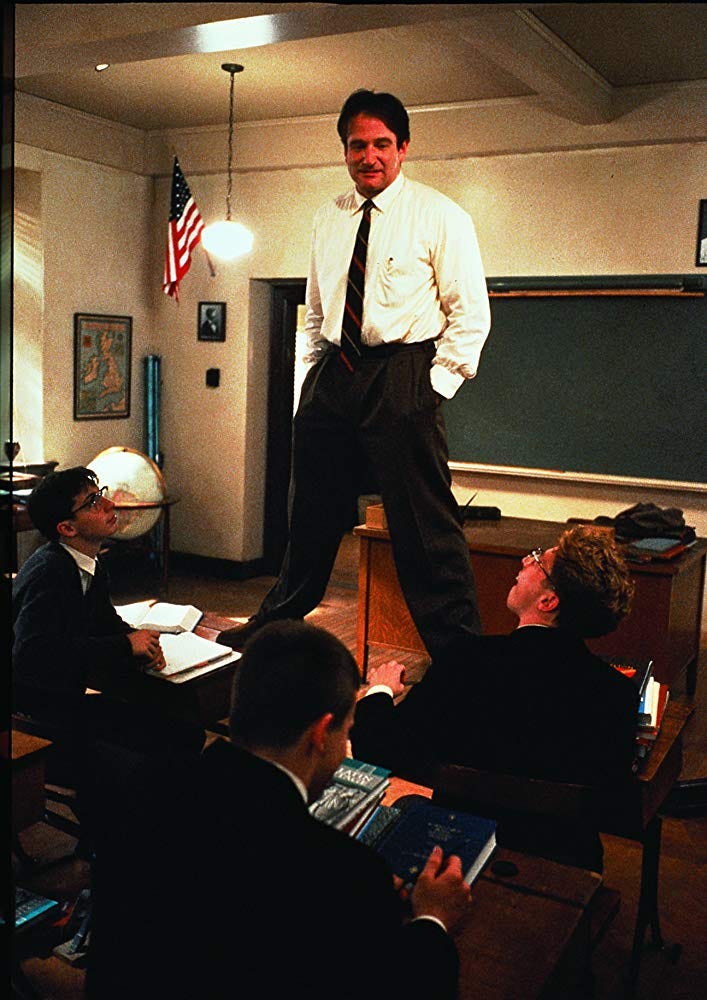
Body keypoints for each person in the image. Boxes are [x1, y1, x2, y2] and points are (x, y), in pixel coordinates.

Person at [220, 89, 491, 659]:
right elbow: (318, 309)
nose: (369, 155)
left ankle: (462, 658)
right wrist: (313, 378)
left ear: (403, 148)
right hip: (334, 373)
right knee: (311, 512)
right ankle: (275, 621)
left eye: (382, 144)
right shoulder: (329, 217)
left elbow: (471, 317)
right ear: (345, 151)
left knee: (425, 529)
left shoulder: (441, 215)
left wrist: (428, 389)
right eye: (357, 145)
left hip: (402, 374)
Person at [87, 621, 472, 1000]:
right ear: (321, 734)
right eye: (347, 731)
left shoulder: (141, 789)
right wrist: (433, 920)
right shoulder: (344, 873)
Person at [351, 525, 639, 872]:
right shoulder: (615, 693)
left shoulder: (466, 662)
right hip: (565, 860)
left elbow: (376, 747)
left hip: (457, 851)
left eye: (537, 561)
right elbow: (614, 804)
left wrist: (380, 689)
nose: (524, 560)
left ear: (548, 601)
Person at [12, 467, 204, 795]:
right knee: (156, 753)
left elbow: (104, 621)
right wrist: (125, 647)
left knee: (183, 730)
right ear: (67, 528)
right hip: (35, 717)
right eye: (93, 503)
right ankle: (118, 835)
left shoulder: (88, 562)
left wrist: (141, 642)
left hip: (59, 700)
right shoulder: (51, 572)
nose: (110, 505)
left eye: (100, 494)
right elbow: (33, 655)